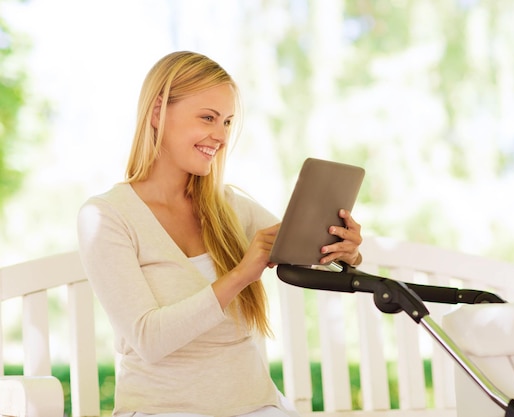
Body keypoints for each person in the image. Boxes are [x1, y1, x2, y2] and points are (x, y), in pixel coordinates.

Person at [76, 50, 363, 417]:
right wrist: (243, 273)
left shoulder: (230, 206)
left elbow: (309, 254)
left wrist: (347, 250)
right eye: (208, 118)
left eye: (227, 122)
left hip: (255, 406)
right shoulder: (107, 216)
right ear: (158, 112)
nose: (221, 135)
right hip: (163, 409)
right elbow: (149, 339)